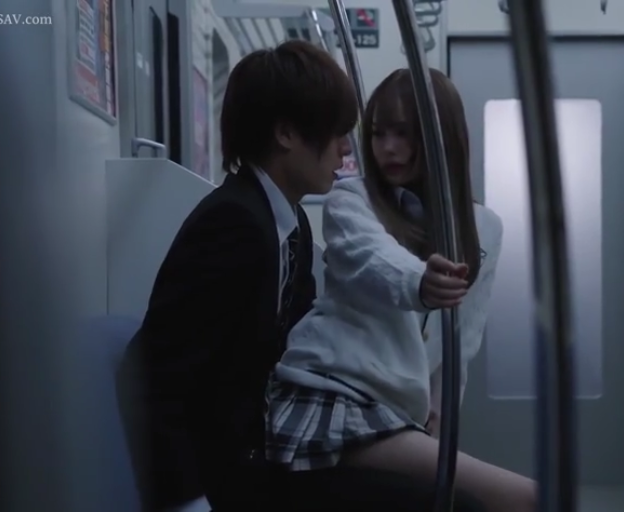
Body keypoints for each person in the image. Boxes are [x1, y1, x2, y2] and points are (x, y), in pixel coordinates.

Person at [115, 42, 487, 512]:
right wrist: (186, 502)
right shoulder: (234, 223)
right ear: (287, 133)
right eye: (336, 133)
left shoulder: (290, 226)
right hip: (236, 472)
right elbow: (152, 373)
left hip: (274, 447)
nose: (346, 149)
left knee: (447, 495)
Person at [265, 68, 536, 512]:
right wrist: (420, 282)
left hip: (398, 414)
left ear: (439, 136)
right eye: (378, 133)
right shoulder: (352, 200)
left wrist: (441, 416)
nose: (387, 148)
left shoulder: (484, 228)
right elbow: (370, 258)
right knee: (524, 497)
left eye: (403, 133)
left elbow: (460, 342)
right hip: (333, 396)